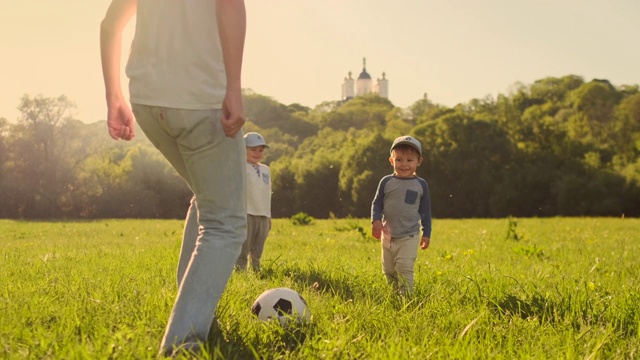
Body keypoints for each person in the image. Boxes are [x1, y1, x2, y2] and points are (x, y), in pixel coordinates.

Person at [100, 0, 247, 356]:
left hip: (148, 100)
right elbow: (230, 4)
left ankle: (197, 311)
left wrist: (113, 95)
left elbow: (110, 24)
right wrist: (234, 88)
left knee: (208, 198)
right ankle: (182, 346)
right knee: (225, 223)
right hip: (199, 99)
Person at [371, 136, 432, 296]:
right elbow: (376, 203)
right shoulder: (386, 182)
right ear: (391, 160)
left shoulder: (421, 185)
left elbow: (425, 211)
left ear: (419, 161)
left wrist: (426, 233)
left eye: (409, 160)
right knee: (389, 271)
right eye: (399, 159)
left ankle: (407, 299)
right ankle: (393, 296)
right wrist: (376, 220)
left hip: (409, 236)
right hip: (388, 236)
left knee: (404, 267)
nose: (404, 164)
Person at [235, 132, 272, 272]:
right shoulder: (240, 167)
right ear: (242, 149)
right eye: (253, 149)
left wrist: (268, 216)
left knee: (258, 247)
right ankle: (240, 271)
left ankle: (256, 270)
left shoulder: (266, 170)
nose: (257, 153)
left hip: (262, 214)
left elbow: (267, 193)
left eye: (260, 150)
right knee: (244, 246)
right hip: (246, 212)